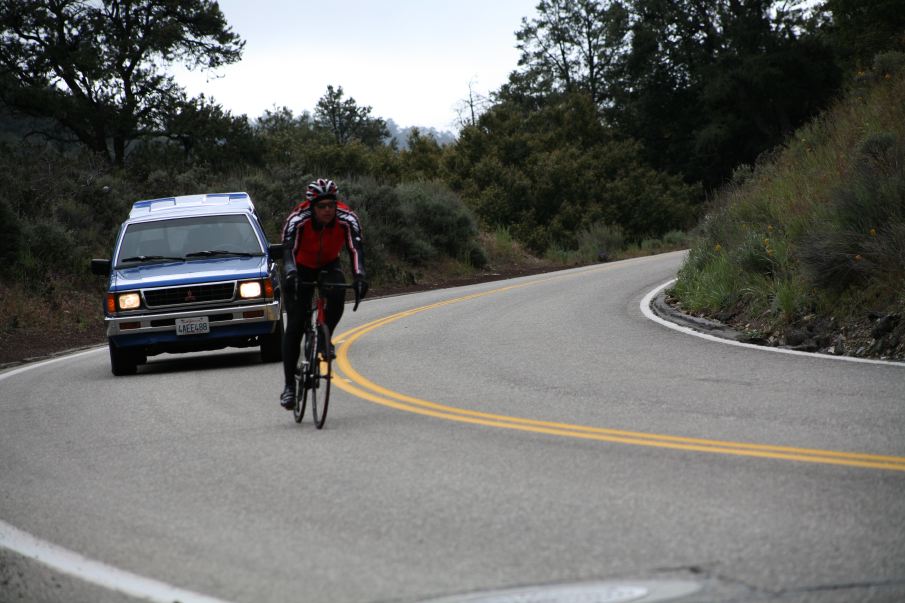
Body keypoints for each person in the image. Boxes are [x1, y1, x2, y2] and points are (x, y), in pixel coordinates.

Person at [279, 178, 368, 410]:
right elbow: (287, 252)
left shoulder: (347, 219)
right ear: (312, 207)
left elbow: (355, 248)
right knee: (296, 324)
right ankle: (289, 387)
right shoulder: (297, 220)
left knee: (338, 294)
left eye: (331, 205)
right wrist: (290, 274)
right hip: (299, 268)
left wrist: (360, 277)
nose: (328, 210)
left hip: (329, 263)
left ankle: (324, 337)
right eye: (322, 206)